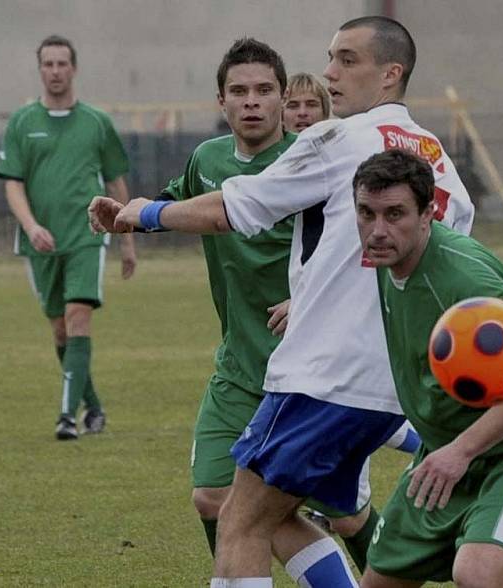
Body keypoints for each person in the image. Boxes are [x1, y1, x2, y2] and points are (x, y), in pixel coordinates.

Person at [89, 16, 475, 587]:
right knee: (286, 513)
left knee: (240, 521)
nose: (328, 73)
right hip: (393, 383)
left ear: (390, 74)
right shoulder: (437, 160)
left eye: (347, 60)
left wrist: (140, 213)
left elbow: (233, 209)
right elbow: (446, 262)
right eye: (330, 57)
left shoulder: (339, 140)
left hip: (322, 378)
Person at [157, 38, 359, 581]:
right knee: (212, 496)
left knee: (349, 515)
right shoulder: (208, 159)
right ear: (220, 101)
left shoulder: (313, 160)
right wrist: (130, 217)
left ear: (282, 97)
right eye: (239, 91)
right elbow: (188, 205)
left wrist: (309, 296)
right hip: (240, 364)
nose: (252, 102)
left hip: (309, 371)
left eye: (265, 90)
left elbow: (360, 241)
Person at [351, 149, 503, 588]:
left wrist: (461, 452)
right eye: (367, 213)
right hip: (445, 448)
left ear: (429, 213)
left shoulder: (466, 281)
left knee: (476, 573)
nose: (377, 230)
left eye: (395, 213)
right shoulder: (384, 257)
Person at [283, 71, 424, 558]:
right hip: (297, 352)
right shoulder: (283, 164)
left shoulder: (341, 161)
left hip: (333, 358)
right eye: (293, 104)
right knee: (336, 510)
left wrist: (152, 217)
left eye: (311, 105)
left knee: (258, 508)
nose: (302, 114)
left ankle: (433, 444)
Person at [0, 34, 136, 441]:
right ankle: (93, 406)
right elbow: (12, 184)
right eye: (48, 64)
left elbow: (116, 180)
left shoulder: (96, 122)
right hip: (40, 243)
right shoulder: (22, 123)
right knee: (61, 330)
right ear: (40, 69)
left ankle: (66, 416)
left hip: (86, 237)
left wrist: (127, 238)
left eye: (62, 63)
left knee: (78, 317)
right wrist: (31, 226)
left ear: (73, 68)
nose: (55, 71)